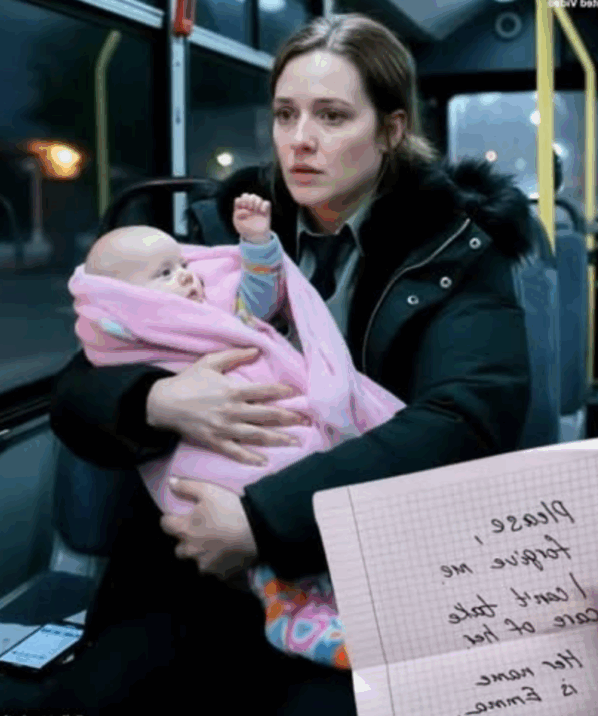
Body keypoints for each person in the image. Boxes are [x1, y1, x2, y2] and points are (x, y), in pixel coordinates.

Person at [49, 11, 545, 714]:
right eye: (286, 114)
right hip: (196, 552)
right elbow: (82, 380)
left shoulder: (455, 251)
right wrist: (156, 401)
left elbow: (463, 419)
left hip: (355, 557)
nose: (299, 140)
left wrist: (260, 521)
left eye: (332, 116)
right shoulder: (224, 232)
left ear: (391, 130)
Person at [71, 195, 406, 670]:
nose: (186, 275)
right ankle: (295, 614)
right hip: (202, 473)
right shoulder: (129, 327)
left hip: (299, 448)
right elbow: (77, 389)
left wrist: (258, 245)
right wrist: (155, 399)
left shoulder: (214, 294)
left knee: (292, 484)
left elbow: (256, 300)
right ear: (127, 300)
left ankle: (332, 600)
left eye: (182, 265)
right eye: (165, 273)